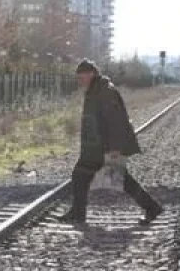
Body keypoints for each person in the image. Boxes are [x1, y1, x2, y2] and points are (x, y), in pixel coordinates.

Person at [58, 60, 163, 227]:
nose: (79, 81)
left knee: (113, 179)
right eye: (78, 78)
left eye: (81, 77)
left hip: (105, 147)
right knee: (82, 176)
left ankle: (152, 207)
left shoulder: (105, 91)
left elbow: (116, 121)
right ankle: (78, 213)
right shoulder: (95, 90)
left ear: (91, 73)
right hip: (95, 147)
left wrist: (115, 148)